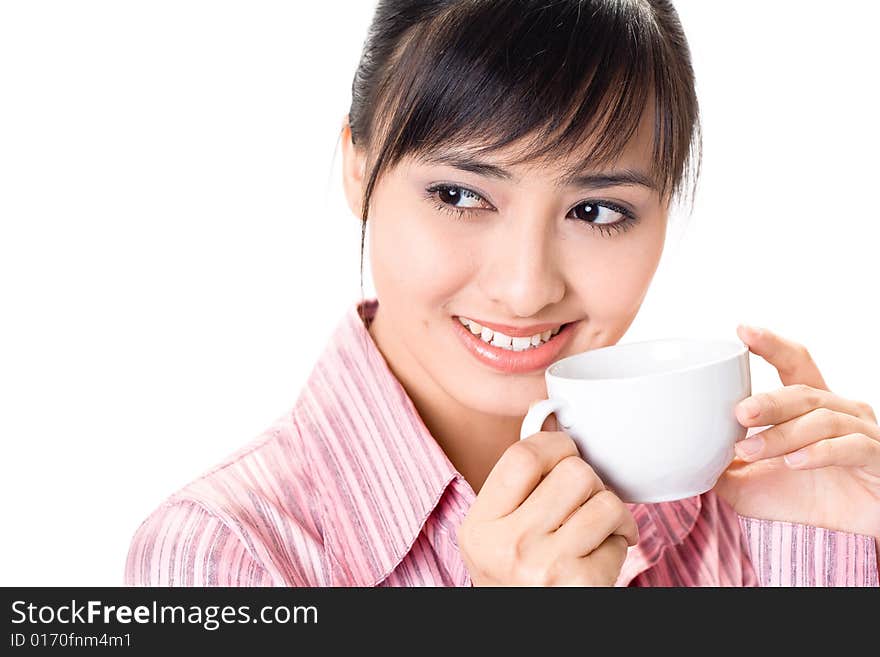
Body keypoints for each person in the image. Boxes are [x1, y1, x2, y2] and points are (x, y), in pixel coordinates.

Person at [125, 0, 879, 586]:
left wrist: (846, 551)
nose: (525, 289)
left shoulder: (742, 505)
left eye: (596, 211)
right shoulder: (225, 555)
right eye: (458, 194)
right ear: (357, 165)